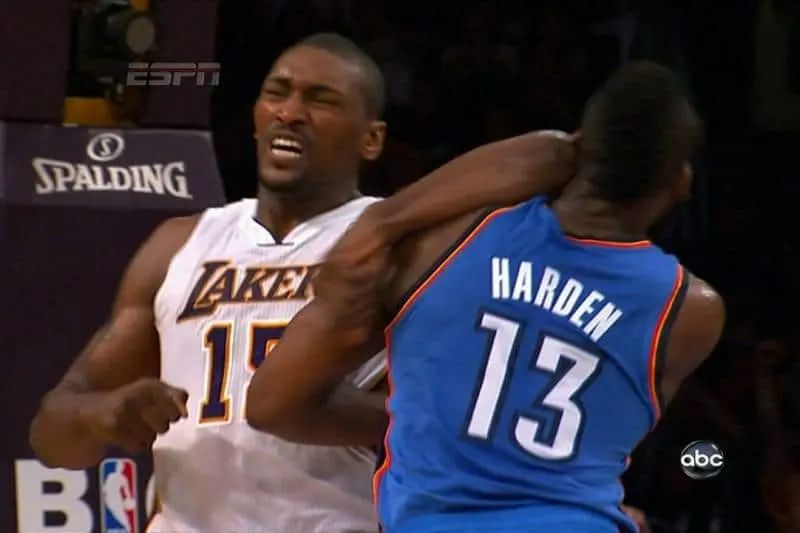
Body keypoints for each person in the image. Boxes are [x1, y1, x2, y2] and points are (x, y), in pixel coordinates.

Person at [29, 32, 576, 533]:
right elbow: (52, 435)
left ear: (371, 140)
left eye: (321, 100)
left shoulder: (399, 245)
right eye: (277, 93)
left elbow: (549, 159)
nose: (290, 113)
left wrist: (385, 224)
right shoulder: (178, 243)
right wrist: (103, 414)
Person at [245, 61, 726, 533]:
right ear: (682, 182)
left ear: (579, 147)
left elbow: (273, 404)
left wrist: (422, 416)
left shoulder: (441, 244)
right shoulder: (689, 311)